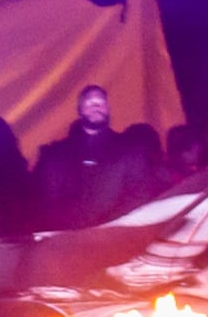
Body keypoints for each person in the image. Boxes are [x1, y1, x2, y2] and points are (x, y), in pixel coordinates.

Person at [28, 85, 135, 232]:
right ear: (80, 110)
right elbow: (43, 199)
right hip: (66, 237)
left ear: (108, 109)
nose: (96, 106)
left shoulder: (128, 150)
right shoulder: (55, 154)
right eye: (90, 103)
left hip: (113, 235)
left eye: (101, 102)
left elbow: (137, 193)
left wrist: (109, 225)